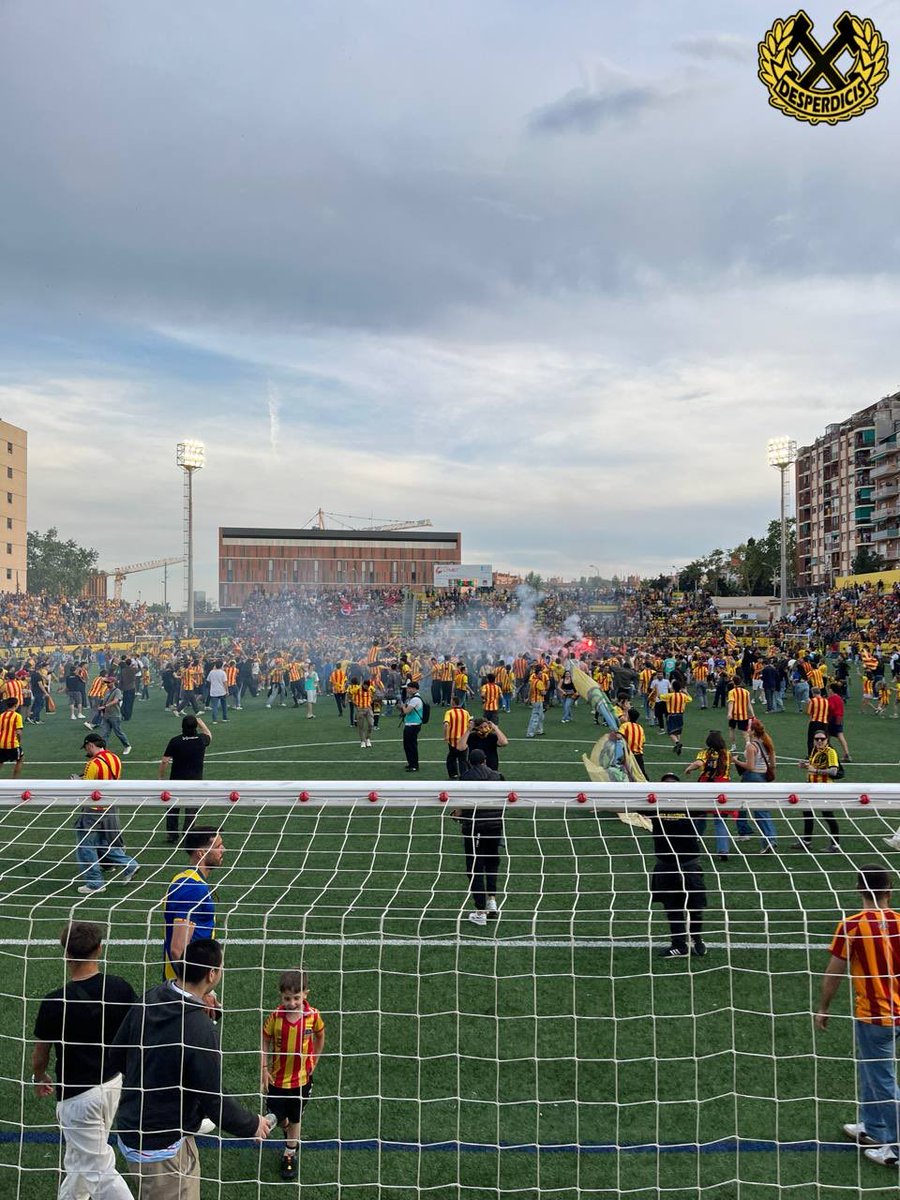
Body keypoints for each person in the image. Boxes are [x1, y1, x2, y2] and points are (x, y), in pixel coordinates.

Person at [111, 939, 270, 1196]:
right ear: (212, 974)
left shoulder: (151, 996)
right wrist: (251, 1124)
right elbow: (214, 1100)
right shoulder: (199, 1029)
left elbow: (117, 1056)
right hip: (161, 1148)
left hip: (132, 1126)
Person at [32, 921, 137, 1200]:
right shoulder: (120, 988)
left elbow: (40, 1055)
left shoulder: (55, 1002)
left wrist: (39, 1077)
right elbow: (137, 1033)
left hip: (78, 1098)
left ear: (65, 953)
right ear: (99, 949)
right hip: (114, 1085)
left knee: (99, 1169)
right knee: (80, 1162)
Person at [816, 864, 900, 1166]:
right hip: (896, 1011)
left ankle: (897, 1147)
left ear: (858, 890)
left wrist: (824, 1007)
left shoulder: (851, 926)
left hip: (876, 1016)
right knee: (871, 1072)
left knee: (883, 1079)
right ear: (889, 890)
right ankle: (873, 1126)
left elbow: (833, 974)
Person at [260, 969, 326, 1181]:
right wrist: (264, 1068)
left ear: (306, 994)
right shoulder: (275, 1018)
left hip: (301, 1080)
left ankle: (290, 1154)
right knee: (278, 1118)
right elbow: (265, 1040)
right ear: (281, 996)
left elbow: (320, 1036)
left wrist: (314, 1059)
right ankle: (286, 1127)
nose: (292, 1003)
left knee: (296, 1117)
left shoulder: (313, 1016)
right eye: (287, 998)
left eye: (296, 998)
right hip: (277, 1080)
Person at [650, 773, 707, 959]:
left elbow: (710, 805)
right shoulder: (652, 805)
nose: (669, 787)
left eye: (673, 784)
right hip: (665, 865)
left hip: (689, 864)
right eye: (665, 784)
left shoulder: (690, 804)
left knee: (695, 907)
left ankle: (697, 940)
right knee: (672, 908)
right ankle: (679, 945)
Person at [74, 735, 139, 895]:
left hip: (94, 810)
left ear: (90, 745)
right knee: (104, 843)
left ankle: (95, 883)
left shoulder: (92, 764)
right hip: (111, 807)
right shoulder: (115, 758)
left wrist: (75, 781)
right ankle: (129, 864)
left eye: (86, 748)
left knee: (85, 845)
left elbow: (86, 789)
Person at [163, 827, 223, 980]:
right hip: (187, 986)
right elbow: (178, 949)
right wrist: (194, 989)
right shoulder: (192, 887)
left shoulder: (186, 879)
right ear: (201, 853)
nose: (223, 849)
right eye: (218, 846)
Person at [454, 750, 505, 926]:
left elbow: (462, 803)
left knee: (474, 868)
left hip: (475, 828)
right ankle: (492, 900)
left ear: (470, 762)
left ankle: (481, 910)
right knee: (491, 863)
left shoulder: (466, 777)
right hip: (495, 826)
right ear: (485, 760)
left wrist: (456, 813)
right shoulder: (497, 775)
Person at [158, 714, 212, 844]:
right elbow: (209, 734)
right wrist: (201, 722)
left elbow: (165, 761)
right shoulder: (201, 739)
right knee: (191, 808)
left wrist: (160, 777)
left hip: (176, 780)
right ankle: (188, 832)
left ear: (182, 726)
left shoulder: (175, 741)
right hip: (195, 781)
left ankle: (172, 834)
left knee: (172, 807)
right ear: (196, 726)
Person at [734, 717, 778, 853]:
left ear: (752, 731)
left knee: (743, 805)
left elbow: (750, 766)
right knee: (762, 810)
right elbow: (773, 764)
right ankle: (769, 839)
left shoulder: (752, 746)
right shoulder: (766, 743)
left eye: (749, 729)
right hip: (763, 777)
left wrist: (735, 761)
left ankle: (749, 832)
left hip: (751, 777)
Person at [796, 732, 841, 853]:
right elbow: (813, 766)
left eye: (822, 739)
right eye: (817, 739)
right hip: (811, 787)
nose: (820, 741)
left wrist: (815, 771)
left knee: (828, 815)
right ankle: (806, 841)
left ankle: (835, 845)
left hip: (824, 789)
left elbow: (833, 772)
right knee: (807, 812)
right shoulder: (814, 750)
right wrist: (805, 766)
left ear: (827, 740)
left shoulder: (830, 752)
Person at [399, 680, 424, 772]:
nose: (407, 690)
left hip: (412, 725)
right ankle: (411, 763)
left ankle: (414, 765)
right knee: (408, 745)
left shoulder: (415, 699)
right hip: (412, 724)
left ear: (414, 689)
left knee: (411, 746)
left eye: (409, 688)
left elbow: (406, 711)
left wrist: (402, 706)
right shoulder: (414, 698)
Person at [443, 701, 470, 781]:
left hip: (452, 739)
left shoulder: (449, 712)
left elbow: (446, 724)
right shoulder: (466, 712)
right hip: (463, 739)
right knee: (463, 759)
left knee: (451, 758)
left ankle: (453, 774)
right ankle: (464, 775)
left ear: (453, 703)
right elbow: (470, 723)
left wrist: (445, 736)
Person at [0, 693, 24, 777]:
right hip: (13, 744)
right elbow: (19, 732)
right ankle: (14, 780)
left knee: (1, 761)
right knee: (20, 759)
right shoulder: (17, 716)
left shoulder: (1, 716)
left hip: (1, 743)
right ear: (15, 705)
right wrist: (19, 741)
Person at [827, 682, 851, 762]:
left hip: (832, 718)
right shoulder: (839, 698)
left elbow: (831, 708)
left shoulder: (832, 698)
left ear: (832, 690)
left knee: (827, 735)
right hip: (840, 718)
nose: (828, 690)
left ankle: (827, 753)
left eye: (830, 689)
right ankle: (846, 753)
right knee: (840, 736)